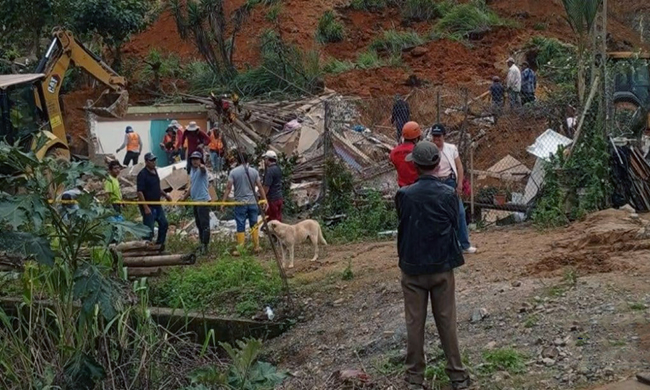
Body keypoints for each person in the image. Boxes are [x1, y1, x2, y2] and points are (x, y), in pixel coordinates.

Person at [395, 141, 470, 390]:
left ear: (415, 167)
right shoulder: (448, 194)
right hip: (441, 267)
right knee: (447, 321)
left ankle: (414, 379)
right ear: (438, 165)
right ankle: (458, 376)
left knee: (414, 323)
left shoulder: (404, 195)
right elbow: (453, 222)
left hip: (413, 268)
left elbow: (403, 221)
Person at [429, 124, 477, 254]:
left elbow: (459, 166)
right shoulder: (429, 149)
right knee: (438, 215)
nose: (436, 139)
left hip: (449, 181)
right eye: (434, 136)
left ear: (444, 136)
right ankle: (443, 245)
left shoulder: (451, 148)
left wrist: (459, 183)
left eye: (438, 136)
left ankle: (464, 244)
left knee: (460, 213)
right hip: (436, 183)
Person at [221, 152, 268, 254]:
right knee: (254, 223)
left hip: (240, 203)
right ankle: (256, 246)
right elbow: (260, 186)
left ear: (237, 160)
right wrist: (265, 199)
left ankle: (240, 248)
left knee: (240, 224)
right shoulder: (254, 172)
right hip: (253, 202)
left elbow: (228, 188)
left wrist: (223, 202)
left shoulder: (234, 172)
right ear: (248, 160)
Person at [137, 153, 172, 251]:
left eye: (154, 160)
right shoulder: (142, 174)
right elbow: (140, 192)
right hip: (149, 206)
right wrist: (145, 207)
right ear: (146, 161)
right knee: (149, 229)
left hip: (157, 204)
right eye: (151, 160)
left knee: (164, 223)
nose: (153, 162)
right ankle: (145, 248)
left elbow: (157, 188)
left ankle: (160, 245)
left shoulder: (155, 171)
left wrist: (165, 195)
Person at [182, 151, 211, 254]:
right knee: (199, 224)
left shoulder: (202, 170)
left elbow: (203, 169)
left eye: (197, 159)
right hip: (195, 201)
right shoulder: (192, 171)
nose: (195, 161)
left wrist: (201, 166)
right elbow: (192, 186)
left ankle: (205, 245)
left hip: (202, 200)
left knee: (204, 224)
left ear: (200, 160)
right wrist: (184, 197)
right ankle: (201, 242)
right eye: (193, 159)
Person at [389, 121, 422, 187]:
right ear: (417, 138)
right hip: (418, 186)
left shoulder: (394, 152)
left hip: (402, 188)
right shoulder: (419, 151)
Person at [262, 150, 284, 222]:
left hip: (272, 199)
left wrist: (263, 197)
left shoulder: (270, 171)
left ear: (268, 159)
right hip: (279, 197)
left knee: (272, 221)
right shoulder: (278, 169)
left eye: (265, 159)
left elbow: (266, 186)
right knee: (278, 218)